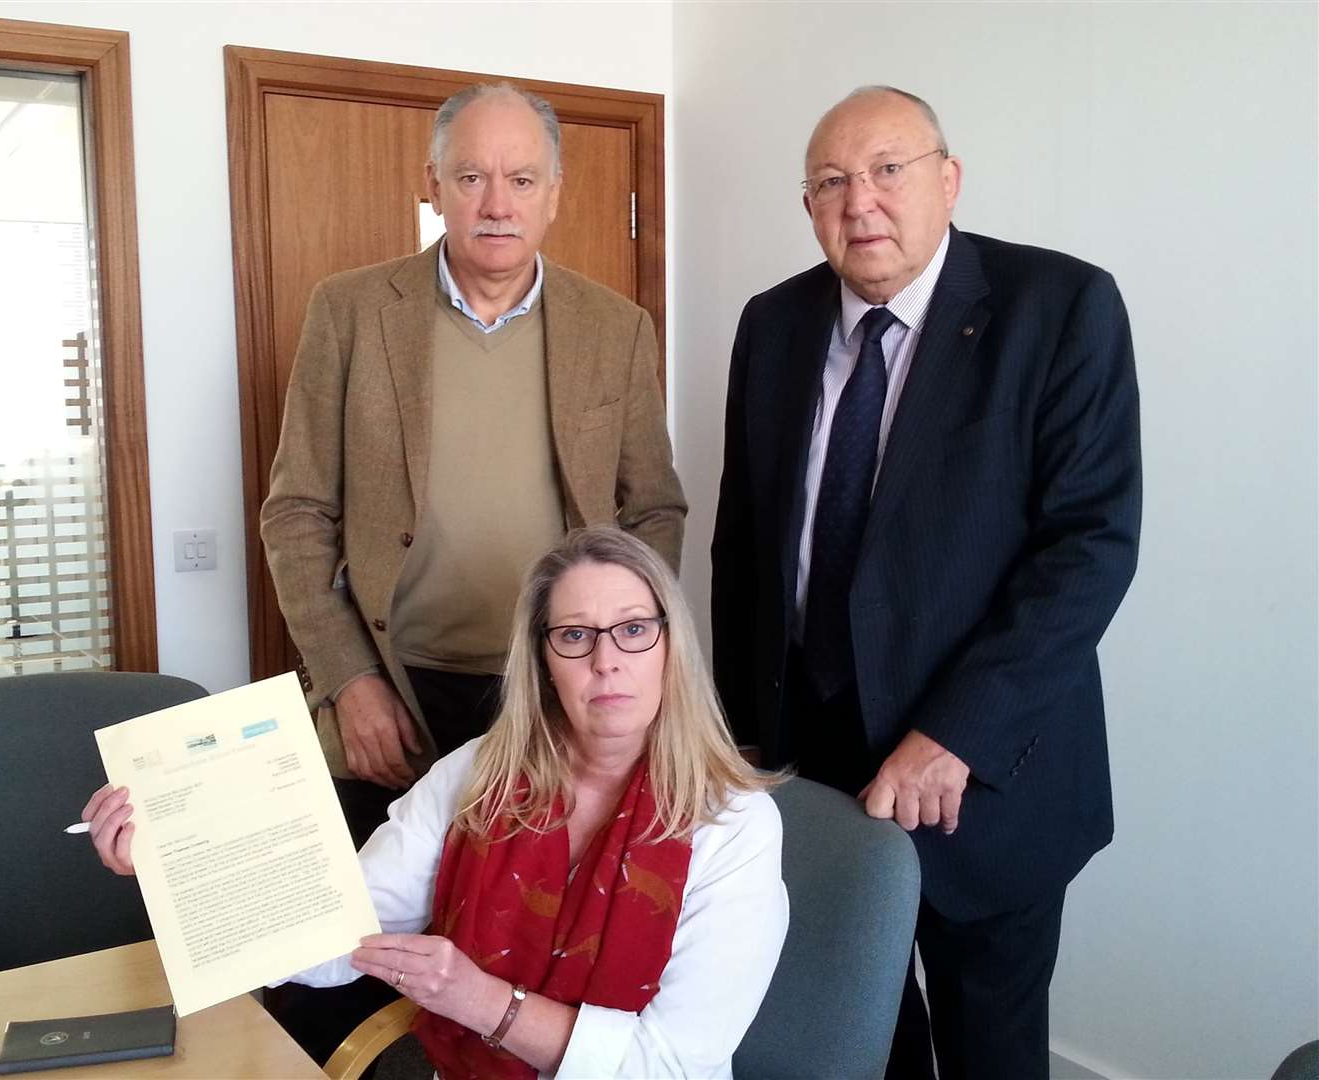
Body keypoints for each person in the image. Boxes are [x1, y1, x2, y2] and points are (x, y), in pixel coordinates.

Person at [711, 85, 1141, 1078]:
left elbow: (1089, 548)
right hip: (808, 774)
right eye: (830, 182)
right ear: (808, 207)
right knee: (855, 1038)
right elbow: (745, 552)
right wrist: (733, 740)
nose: (860, 202)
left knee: (990, 1048)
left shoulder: (1061, 309)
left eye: (887, 171)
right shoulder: (771, 326)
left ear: (948, 180)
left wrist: (957, 735)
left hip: (986, 780)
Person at [86, 527, 786, 1078]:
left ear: (672, 646)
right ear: (542, 660)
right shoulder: (477, 776)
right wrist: (176, 868)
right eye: (574, 636)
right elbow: (338, 932)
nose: (607, 660)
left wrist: (483, 1002)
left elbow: (669, 1065)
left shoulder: (734, 826)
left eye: (634, 629)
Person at [260, 82, 686, 849]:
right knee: (372, 933)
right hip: (396, 684)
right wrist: (349, 679)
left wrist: (620, 653)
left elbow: (653, 509)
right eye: (470, 177)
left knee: (524, 926)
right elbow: (296, 513)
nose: (497, 203)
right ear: (434, 185)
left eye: (522, 180)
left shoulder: (616, 329)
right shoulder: (350, 312)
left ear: (553, 193)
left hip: (557, 686)